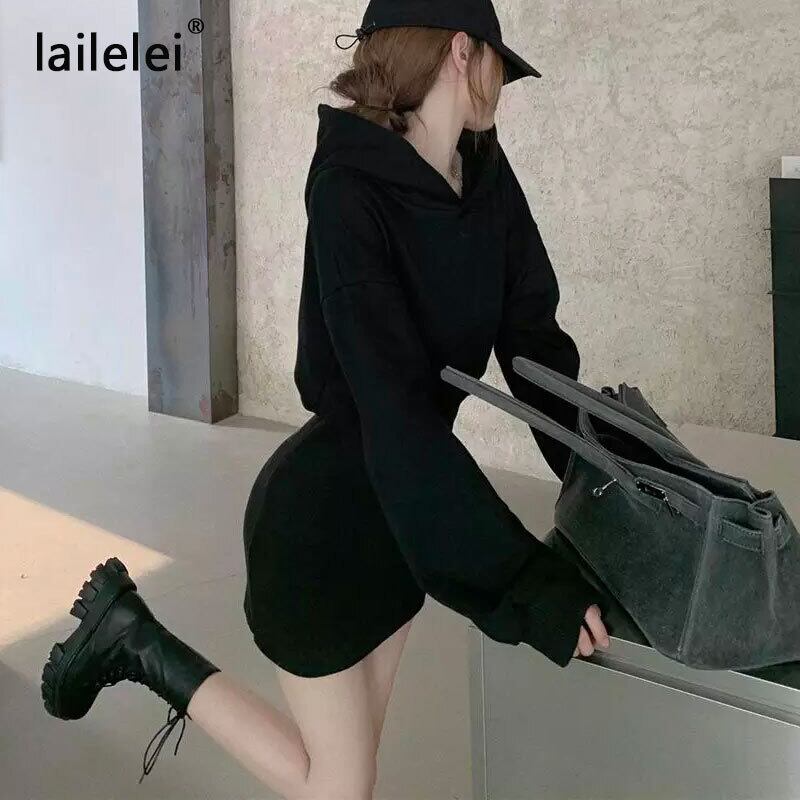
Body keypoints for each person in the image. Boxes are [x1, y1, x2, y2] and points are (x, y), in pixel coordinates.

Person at [40, 1, 611, 797]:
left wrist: (615, 477)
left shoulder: (483, 173)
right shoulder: (349, 189)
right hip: (325, 527)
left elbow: (534, 345)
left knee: (341, 778)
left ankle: (131, 634)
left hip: (404, 520)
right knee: (341, 788)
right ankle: (137, 643)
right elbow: (388, 407)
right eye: (496, 64)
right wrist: (528, 583)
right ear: (461, 51)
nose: (501, 86)